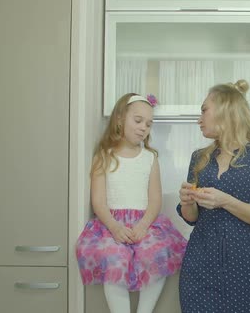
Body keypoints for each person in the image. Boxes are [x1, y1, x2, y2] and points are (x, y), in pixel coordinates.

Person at [176, 79, 250, 313]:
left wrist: (225, 200)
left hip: (246, 269)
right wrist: (187, 202)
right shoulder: (199, 158)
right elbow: (191, 218)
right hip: (199, 266)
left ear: (226, 110)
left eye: (204, 110)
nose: (199, 118)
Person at [76, 93, 187, 313]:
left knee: (157, 253)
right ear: (119, 119)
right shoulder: (104, 156)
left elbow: (155, 199)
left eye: (148, 123)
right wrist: (115, 227)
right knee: (113, 258)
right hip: (111, 224)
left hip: (144, 222)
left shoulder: (149, 158)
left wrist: (143, 225)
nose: (144, 127)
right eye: (138, 121)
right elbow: (98, 200)